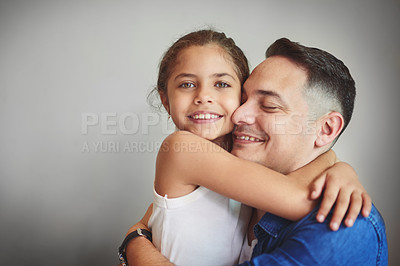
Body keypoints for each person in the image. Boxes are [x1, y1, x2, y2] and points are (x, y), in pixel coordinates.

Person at [119, 32, 373, 266]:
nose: (203, 97)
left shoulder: (237, 160)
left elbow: (145, 224)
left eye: (222, 84)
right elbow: (298, 198)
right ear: (165, 100)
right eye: (186, 84)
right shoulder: (181, 149)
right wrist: (339, 166)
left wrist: (134, 238)